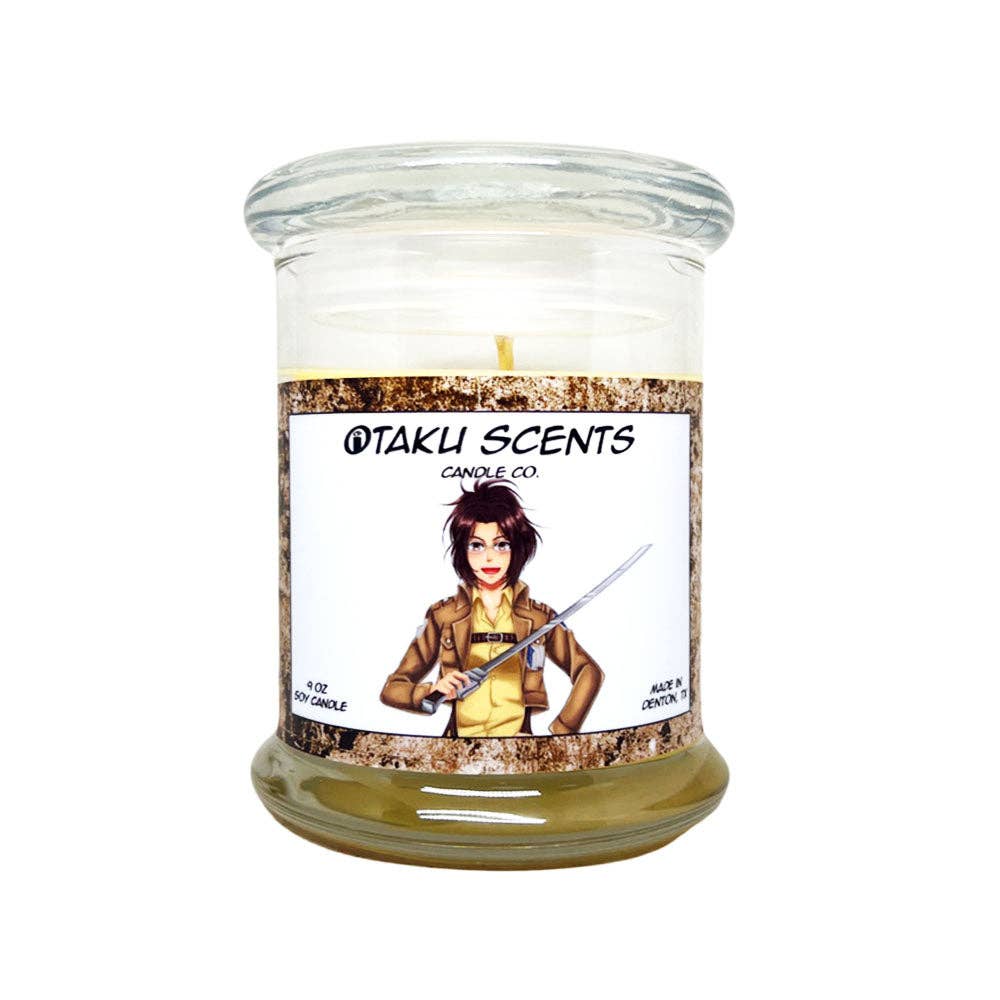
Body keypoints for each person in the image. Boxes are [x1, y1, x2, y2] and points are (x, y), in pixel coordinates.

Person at [380, 479, 603, 736]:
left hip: (519, 745)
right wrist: (432, 690)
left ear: (517, 547)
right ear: (462, 550)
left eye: (501, 544)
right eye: (476, 545)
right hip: (457, 746)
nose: (489, 557)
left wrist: (563, 729)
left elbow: (588, 671)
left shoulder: (539, 618)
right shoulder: (443, 615)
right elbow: (392, 689)